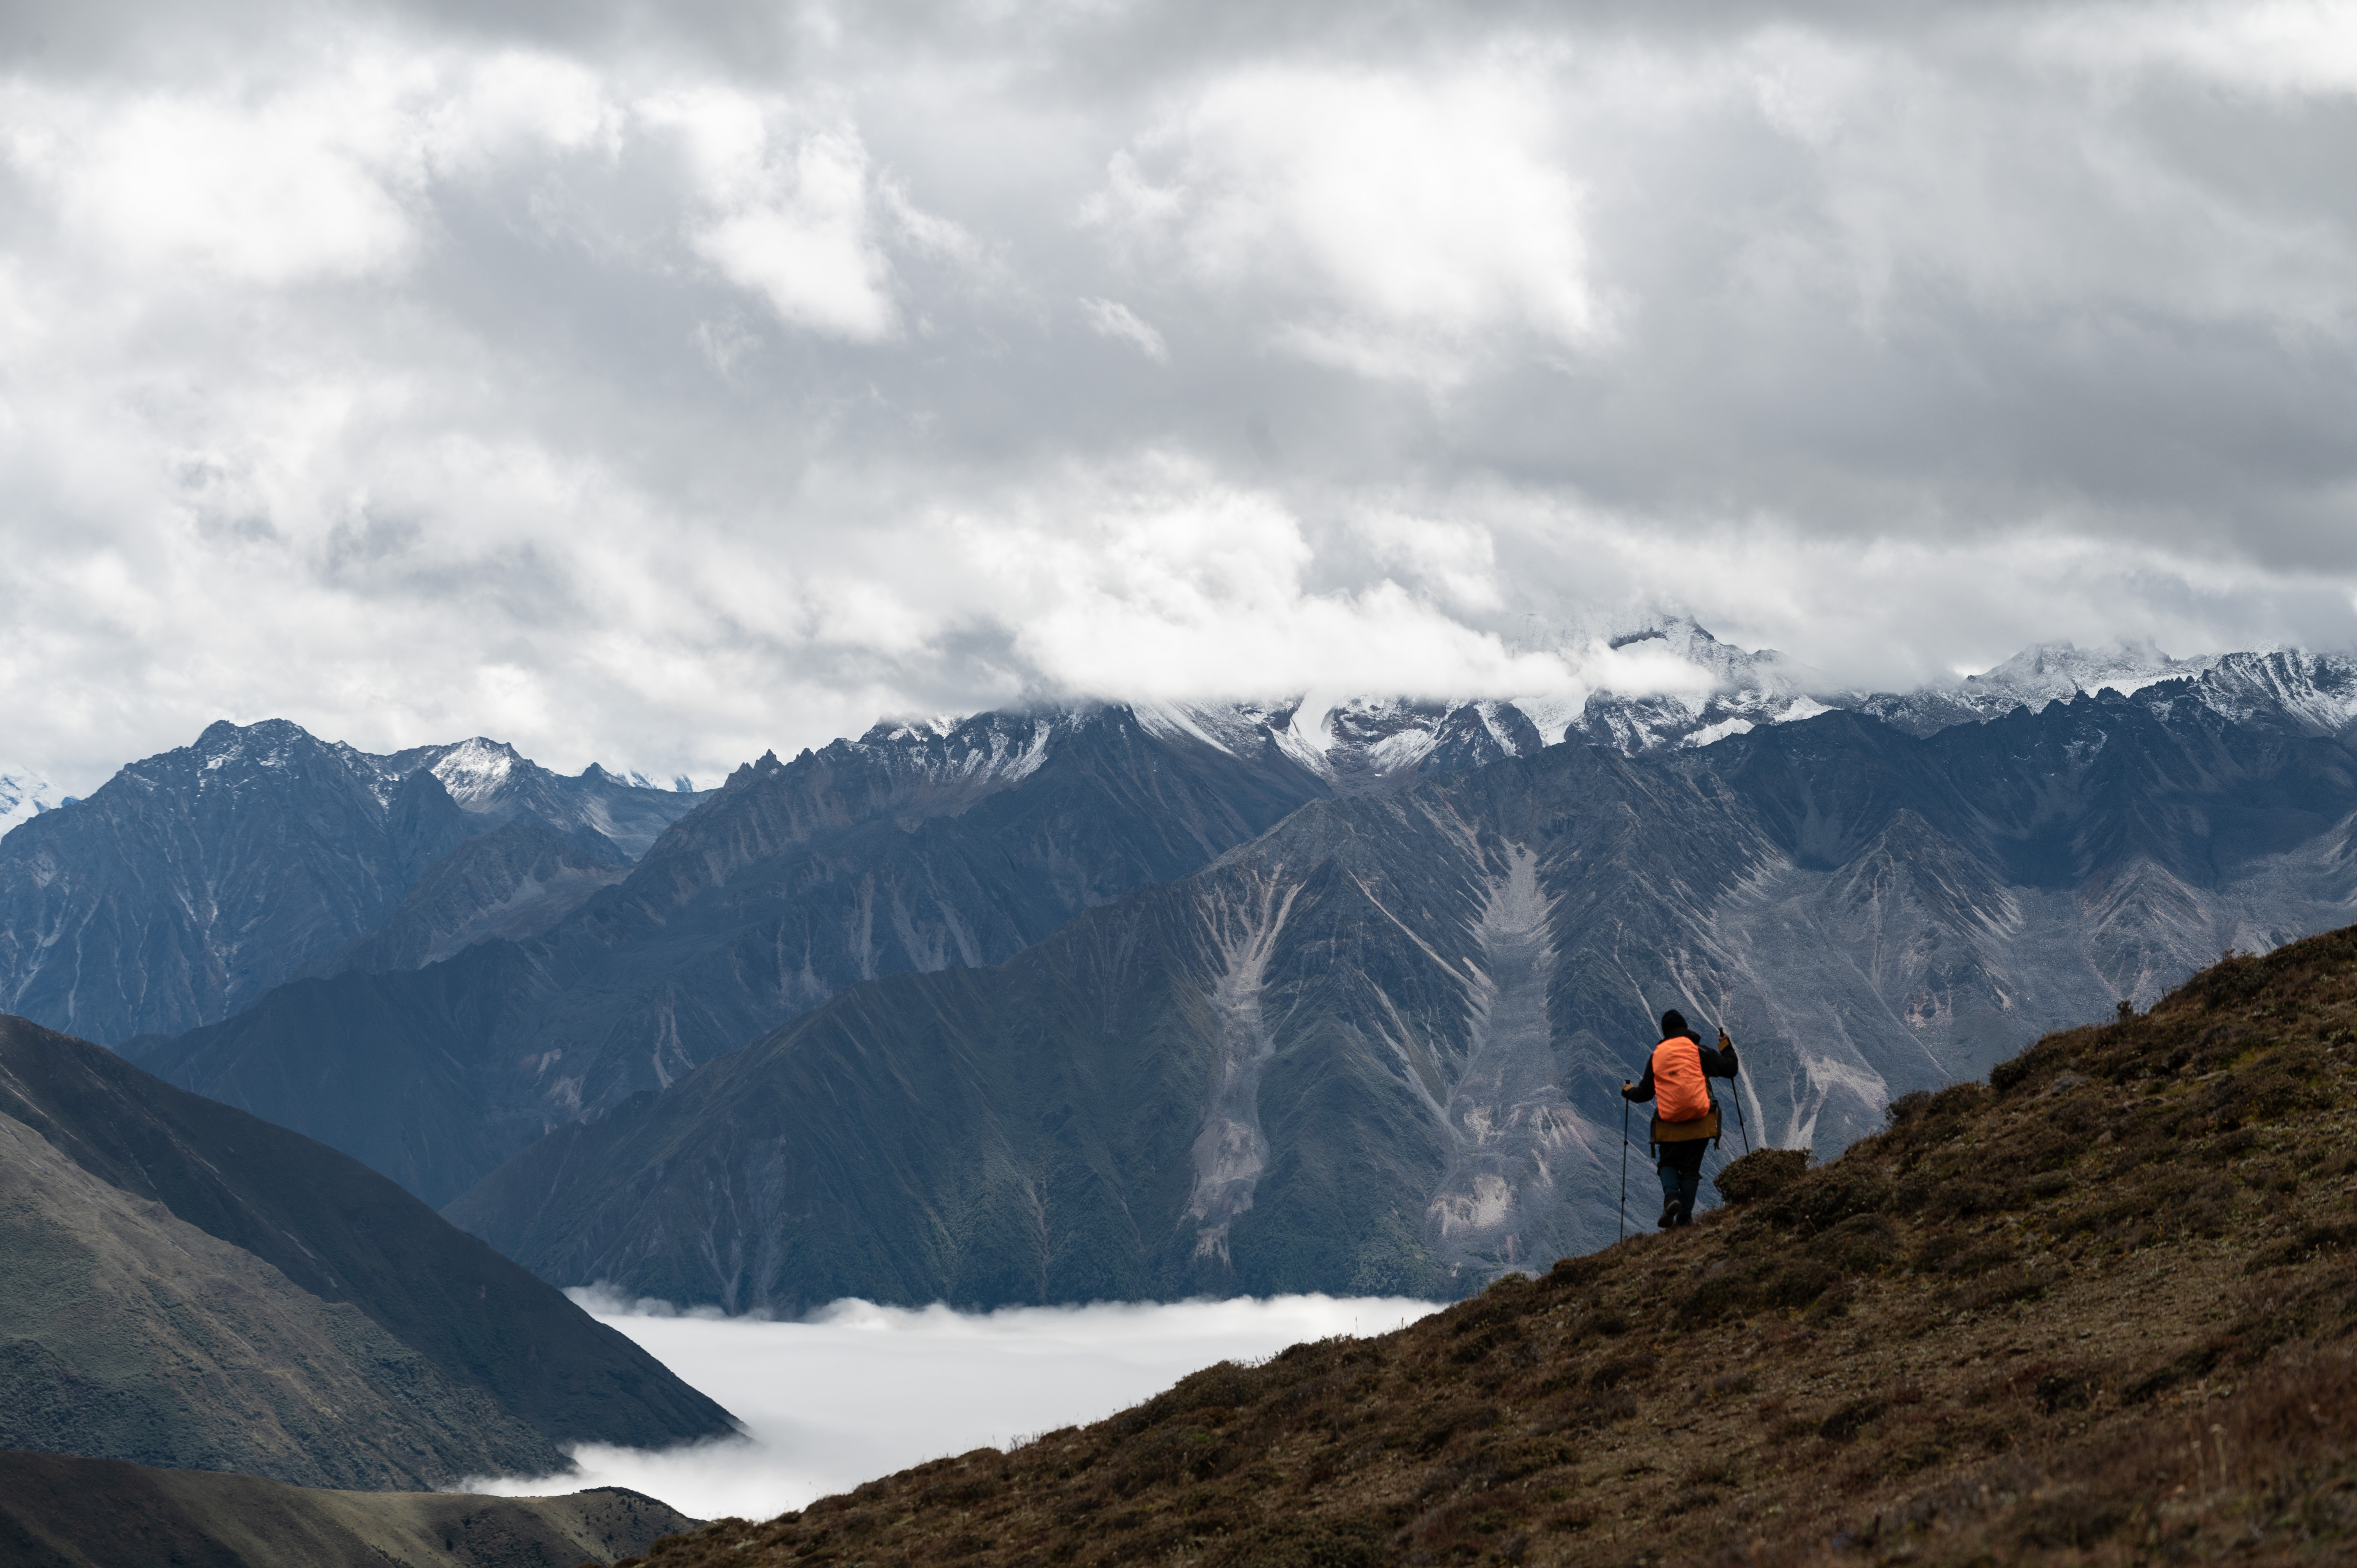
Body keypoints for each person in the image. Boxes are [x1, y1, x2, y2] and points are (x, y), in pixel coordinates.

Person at [1623, 1009, 1740, 1229]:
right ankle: (1685, 1218)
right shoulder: (1699, 1052)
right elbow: (1731, 1069)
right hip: (1701, 1123)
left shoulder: (1657, 1057)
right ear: (1685, 1029)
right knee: (1690, 1170)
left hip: (1670, 1126)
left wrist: (1628, 1091)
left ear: (1665, 1033)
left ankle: (1671, 1198)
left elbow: (1644, 1095)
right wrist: (1726, 1046)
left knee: (1667, 1163)